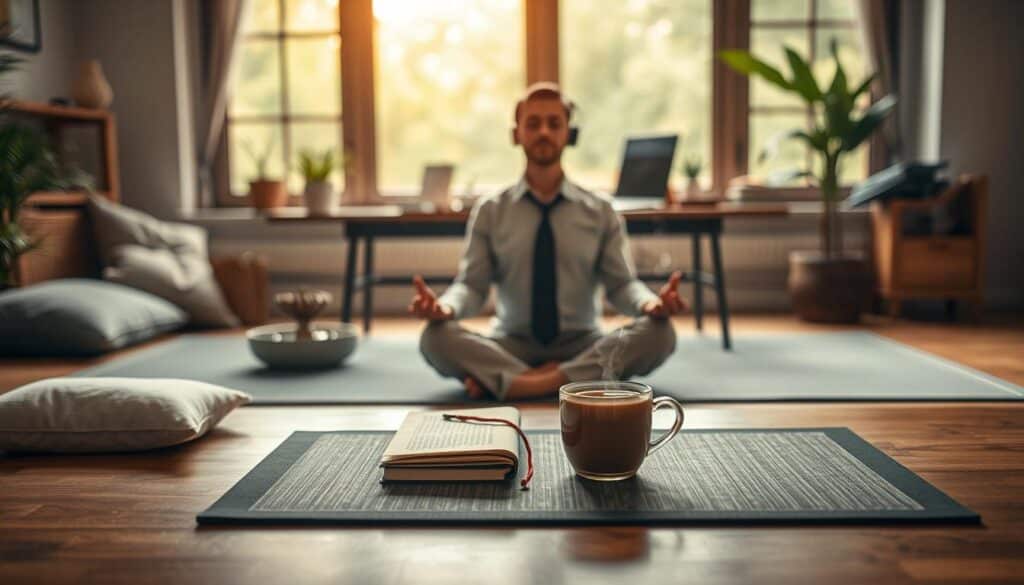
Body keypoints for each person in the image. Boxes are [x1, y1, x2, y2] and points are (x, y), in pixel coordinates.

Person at [410, 82, 686, 401]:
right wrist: (445, 308)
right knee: (435, 338)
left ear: (569, 133)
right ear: (516, 134)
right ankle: (571, 382)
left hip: (583, 344)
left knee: (660, 334)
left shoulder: (600, 211)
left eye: (554, 123)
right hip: (510, 343)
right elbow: (472, 286)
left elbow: (622, 285)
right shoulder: (491, 211)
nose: (544, 131)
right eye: (533, 123)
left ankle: (516, 382)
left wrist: (649, 304)